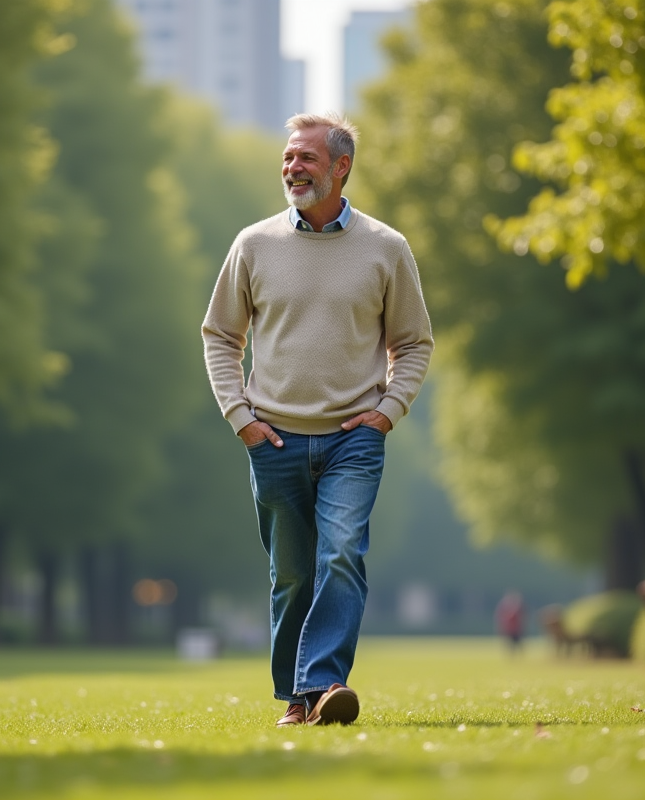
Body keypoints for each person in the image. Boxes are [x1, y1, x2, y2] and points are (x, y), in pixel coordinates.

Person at [201, 112, 433, 727]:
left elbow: (413, 344)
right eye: (287, 157)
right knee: (292, 577)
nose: (292, 167)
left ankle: (323, 686)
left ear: (341, 167)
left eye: (305, 157)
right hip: (272, 438)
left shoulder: (387, 248)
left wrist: (387, 412)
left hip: (353, 441)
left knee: (340, 556)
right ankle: (297, 698)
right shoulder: (253, 244)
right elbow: (220, 336)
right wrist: (240, 417)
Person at [495, 591, 524, 655]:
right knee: (511, 644)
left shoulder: (517, 608)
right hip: (511, 629)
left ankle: (517, 655)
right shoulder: (508, 608)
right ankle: (514, 655)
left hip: (515, 629)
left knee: (516, 643)